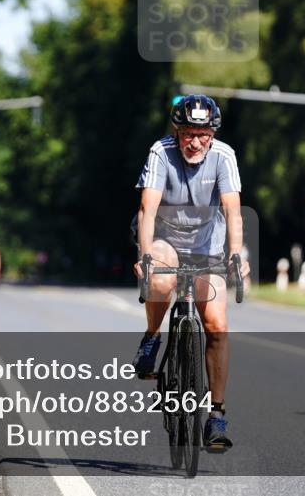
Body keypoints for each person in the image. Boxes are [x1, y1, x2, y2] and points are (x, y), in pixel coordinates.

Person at [131, 94, 250, 451]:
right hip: (165, 236)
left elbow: (233, 211)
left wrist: (234, 255)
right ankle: (152, 336)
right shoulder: (160, 152)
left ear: (212, 134)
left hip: (206, 246)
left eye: (203, 134)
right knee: (161, 278)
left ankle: (216, 414)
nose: (195, 142)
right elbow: (147, 208)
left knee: (217, 324)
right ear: (176, 131)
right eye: (188, 134)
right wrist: (146, 253)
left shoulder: (224, 156)